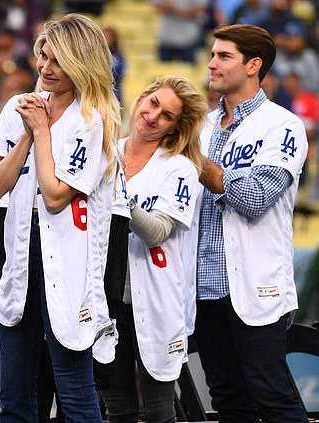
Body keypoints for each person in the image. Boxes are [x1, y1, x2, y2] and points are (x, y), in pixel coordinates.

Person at [0, 13, 121, 422]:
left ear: (81, 63)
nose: (44, 68)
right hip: (21, 249)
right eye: (42, 57)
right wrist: (26, 134)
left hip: (68, 258)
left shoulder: (93, 119)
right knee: (15, 396)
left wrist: (41, 132)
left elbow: (57, 194)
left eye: (56, 61)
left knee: (75, 391)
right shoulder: (18, 108)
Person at [196, 24, 309, 422]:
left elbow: (255, 198)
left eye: (223, 56)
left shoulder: (283, 125)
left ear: (253, 65)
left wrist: (205, 169)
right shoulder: (201, 127)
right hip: (203, 287)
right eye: (212, 54)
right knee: (228, 403)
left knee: (273, 398)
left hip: (256, 285)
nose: (211, 63)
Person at [97, 76, 207, 423]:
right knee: (118, 410)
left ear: (176, 128)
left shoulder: (180, 169)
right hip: (107, 299)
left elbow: (157, 231)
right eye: (153, 103)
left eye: (167, 115)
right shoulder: (105, 152)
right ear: (142, 98)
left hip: (157, 300)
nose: (153, 115)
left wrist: (119, 198)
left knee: (159, 410)